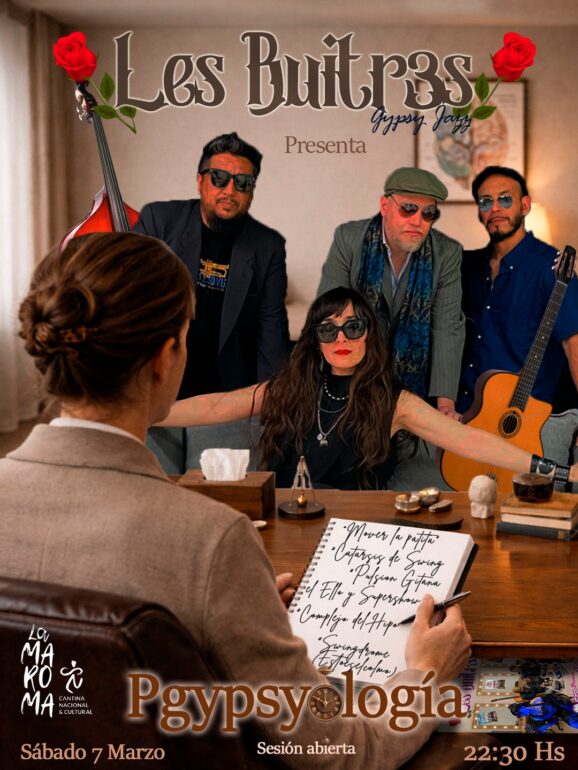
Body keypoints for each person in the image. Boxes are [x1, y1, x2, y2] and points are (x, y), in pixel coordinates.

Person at [0, 231, 471, 768]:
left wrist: (235, 606)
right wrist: (425, 674)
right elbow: (339, 750)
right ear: (165, 357)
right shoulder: (212, 539)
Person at [163, 287, 578, 491]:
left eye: (353, 327)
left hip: (353, 536)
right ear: (316, 340)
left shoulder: (395, 403)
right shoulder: (288, 388)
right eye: (328, 330)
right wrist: (144, 412)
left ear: (368, 335)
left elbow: (469, 440)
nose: (341, 338)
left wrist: (556, 471)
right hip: (284, 524)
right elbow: (216, 406)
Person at [134, 132, 290, 472]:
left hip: (227, 398)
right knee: (156, 487)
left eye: (242, 182)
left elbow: (272, 327)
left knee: (222, 493)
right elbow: (130, 304)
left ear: (251, 191)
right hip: (160, 388)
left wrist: (272, 402)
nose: (230, 190)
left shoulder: (268, 246)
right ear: (200, 180)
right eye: (219, 178)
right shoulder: (160, 221)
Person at [317, 166, 464, 421]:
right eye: (408, 208)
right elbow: (329, 315)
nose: (417, 221)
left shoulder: (447, 253)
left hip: (414, 389)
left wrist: (445, 405)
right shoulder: (348, 239)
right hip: (354, 379)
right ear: (385, 206)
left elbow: (447, 327)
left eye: (428, 213)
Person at [457, 166, 578, 416]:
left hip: (519, 422)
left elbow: (575, 349)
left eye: (504, 199)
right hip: (464, 416)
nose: (495, 208)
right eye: (485, 202)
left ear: (525, 205)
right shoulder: (467, 267)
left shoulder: (551, 269)